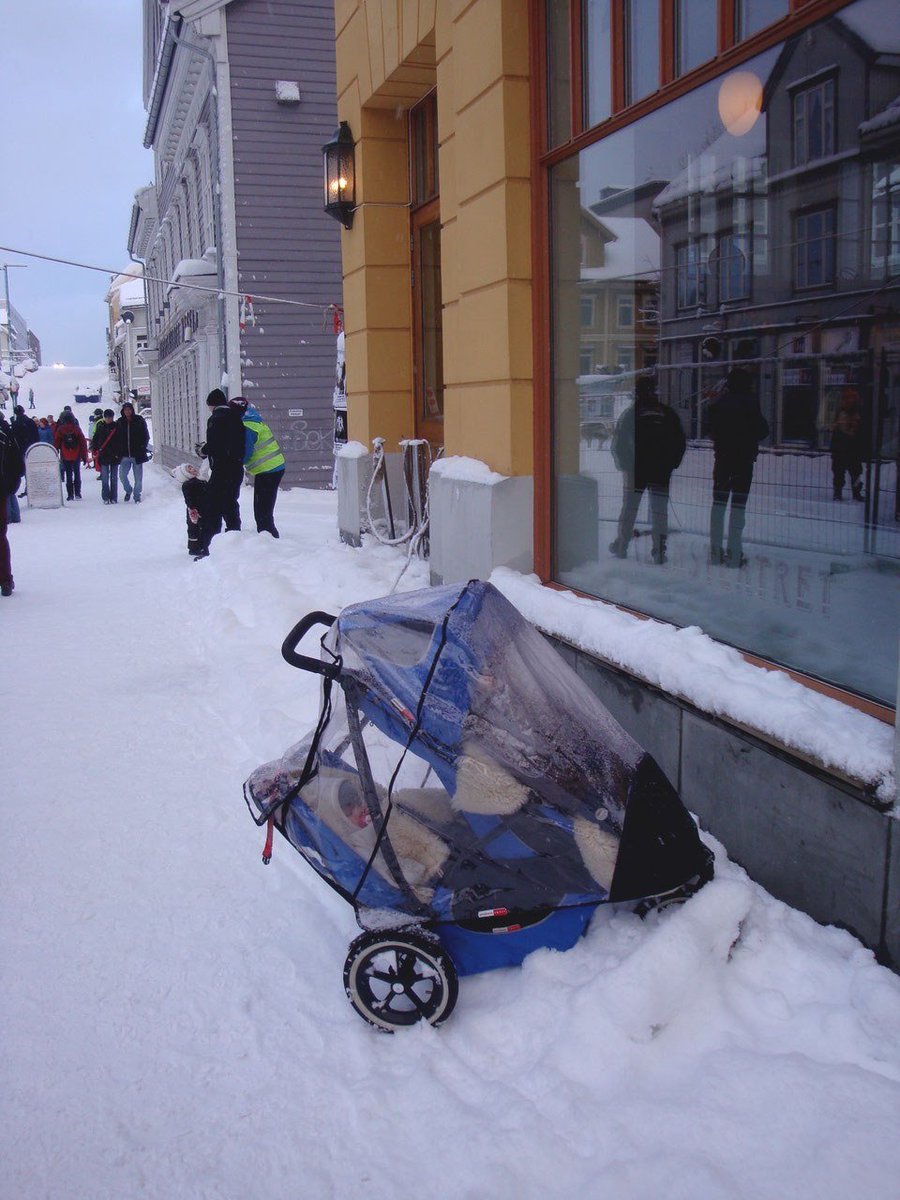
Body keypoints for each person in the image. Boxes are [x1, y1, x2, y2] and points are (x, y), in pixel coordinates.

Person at [609, 375, 685, 565]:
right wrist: (672, 463)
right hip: (661, 471)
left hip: (637, 470)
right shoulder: (667, 413)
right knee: (659, 511)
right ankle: (659, 550)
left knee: (630, 508)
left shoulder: (631, 414)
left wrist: (626, 465)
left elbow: (619, 443)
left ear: (637, 393)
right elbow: (680, 441)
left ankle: (622, 545)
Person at [708, 367, 769, 568]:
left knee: (718, 506)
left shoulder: (720, 403)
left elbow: (711, 429)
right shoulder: (750, 403)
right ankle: (734, 553)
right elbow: (762, 430)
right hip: (743, 462)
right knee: (738, 508)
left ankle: (715, 551)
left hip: (723, 461)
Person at [231, 397, 286, 538]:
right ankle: (267, 535)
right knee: (263, 507)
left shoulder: (247, 427)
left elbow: (246, 452)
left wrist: (234, 462)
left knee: (262, 510)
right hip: (273, 467)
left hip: (268, 470)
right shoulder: (255, 421)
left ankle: (269, 537)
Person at [197, 388, 244, 538]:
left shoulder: (216, 418)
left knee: (213, 502)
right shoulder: (236, 416)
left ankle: (212, 537)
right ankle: (234, 533)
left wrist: (203, 450)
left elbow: (215, 444)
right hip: (236, 466)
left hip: (222, 468)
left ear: (212, 404)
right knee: (230, 501)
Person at [0, 413, 25, 595]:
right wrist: (9, 488)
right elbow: (18, 465)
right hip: (2, 490)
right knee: (1, 537)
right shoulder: (6, 432)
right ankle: (5, 580)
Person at [830, 389, 864, 502]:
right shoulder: (841, 412)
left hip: (851, 448)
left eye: (852, 398)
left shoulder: (857, 412)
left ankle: (855, 493)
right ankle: (838, 493)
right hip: (842, 448)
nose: (850, 400)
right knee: (840, 472)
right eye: (848, 398)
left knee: (855, 472)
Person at [173, 463, 213, 559]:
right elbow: (188, 498)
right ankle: (195, 548)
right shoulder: (187, 485)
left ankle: (198, 547)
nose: (193, 469)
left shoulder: (200, 480)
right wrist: (192, 509)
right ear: (185, 474)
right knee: (195, 529)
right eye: (189, 469)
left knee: (200, 528)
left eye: (191, 467)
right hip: (196, 511)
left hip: (204, 508)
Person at [115, 400, 150, 502]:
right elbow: (116, 438)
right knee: (122, 476)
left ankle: (137, 495)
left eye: (129, 409)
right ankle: (128, 490)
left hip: (137, 454)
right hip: (124, 455)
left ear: (132, 410)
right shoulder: (119, 422)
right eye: (125, 410)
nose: (127, 411)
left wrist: (142, 447)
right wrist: (118, 450)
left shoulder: (139, 420)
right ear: (123, 411)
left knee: (138, 478)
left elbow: (146, 435)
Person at [53, 411, 88, 501]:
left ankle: (70, 494)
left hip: (65, 454)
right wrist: (84, 456)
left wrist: (55, 452)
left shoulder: (61, 429)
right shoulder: (76, 428)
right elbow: (83, 442)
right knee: (77, 473)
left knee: (68, 474)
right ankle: (78, 493)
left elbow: (56, 442)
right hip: (76, 454)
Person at [91, 409, 120, 504]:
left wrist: (119, 453)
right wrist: (95, 450)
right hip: (104, 455)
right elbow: (95, 440)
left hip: (114, 456)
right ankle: (106, 497)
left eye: (110, 417)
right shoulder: (100, 426)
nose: (108, 419)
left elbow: (120, 441)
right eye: (106, 417)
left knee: (114, 478)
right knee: (105, 478)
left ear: (113, 417)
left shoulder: (116, 427)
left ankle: (114, 497)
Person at [11, 406, 39, 499]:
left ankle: (28, 488)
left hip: (21, 449)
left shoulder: (16, 423)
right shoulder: (30, 421)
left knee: (25, 469)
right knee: (32, 469)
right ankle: (34, 488)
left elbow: (14, 438)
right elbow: (36, 435)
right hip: (32, 448)